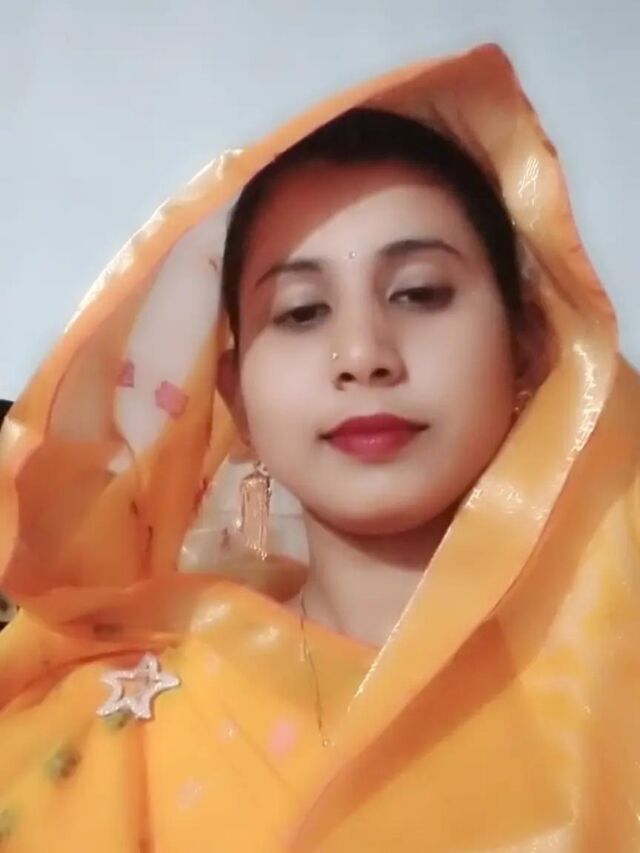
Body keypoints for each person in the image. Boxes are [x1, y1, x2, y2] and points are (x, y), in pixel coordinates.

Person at [0, 42, 639, 851]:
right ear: (235, 396)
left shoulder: (615, 677)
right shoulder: (113, 739)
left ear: (528, 346)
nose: (363, 354)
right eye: (302, 311)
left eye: (419, 292)